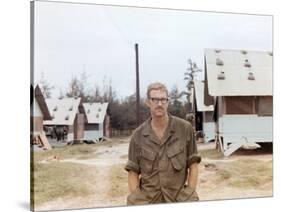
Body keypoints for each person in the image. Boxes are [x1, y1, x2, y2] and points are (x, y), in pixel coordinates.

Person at [125, 82, 201, 205]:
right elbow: (132, 172)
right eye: (155, 99)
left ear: (168, 101)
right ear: (148, 102)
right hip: (149, 202)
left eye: (163, 99)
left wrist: (189, 193)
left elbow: (193, 165)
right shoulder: (137, 136)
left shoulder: (184, 129)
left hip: (178, 201)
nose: (159, 104)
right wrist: (137, 199)